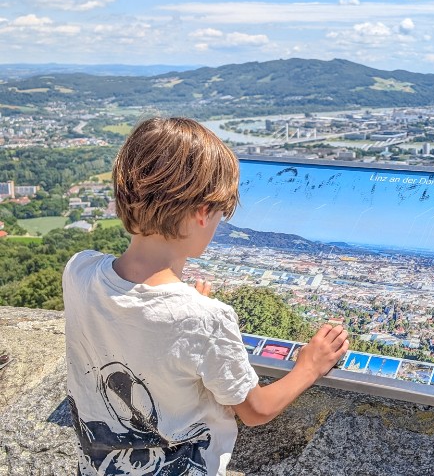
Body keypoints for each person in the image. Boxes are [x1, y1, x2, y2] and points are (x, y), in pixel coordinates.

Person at [63, 117, 349, 475]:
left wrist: (182, 299)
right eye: (219, 215)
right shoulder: (204, 318)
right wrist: (310, 365)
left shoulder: (78, 270)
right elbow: (256, 409)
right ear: (202, 213)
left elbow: (135, 309)